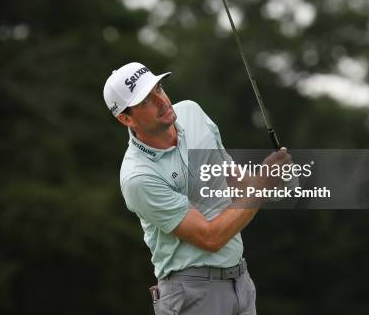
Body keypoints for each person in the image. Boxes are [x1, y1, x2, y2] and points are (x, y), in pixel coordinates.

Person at [103, 62, 291, 315]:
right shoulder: (138, 177)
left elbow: (231, 179)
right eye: (146, 101)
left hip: (241, 282)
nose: (161, 101)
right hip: (192, 293)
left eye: (158, 88)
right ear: (125, 118)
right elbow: (210, 237)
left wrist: (273, 181)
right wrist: (262, 187)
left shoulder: (192, 113)